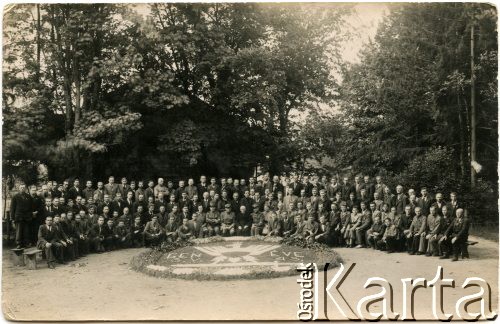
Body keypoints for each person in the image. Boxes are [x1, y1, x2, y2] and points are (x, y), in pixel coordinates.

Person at [11, 182, 34, 248]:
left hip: (27, 217)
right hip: (18, 217)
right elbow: (12, 208)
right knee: (19, 231)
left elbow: (31, 207)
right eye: (21, 188)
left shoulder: (28, 196)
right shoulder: (15, 197)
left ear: (25, 188)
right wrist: (12, 218)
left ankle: (26, 243)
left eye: (24, 188)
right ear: (19, 188)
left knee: (26, 231)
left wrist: (30, 215)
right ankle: (18, 244)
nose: (22, 189)